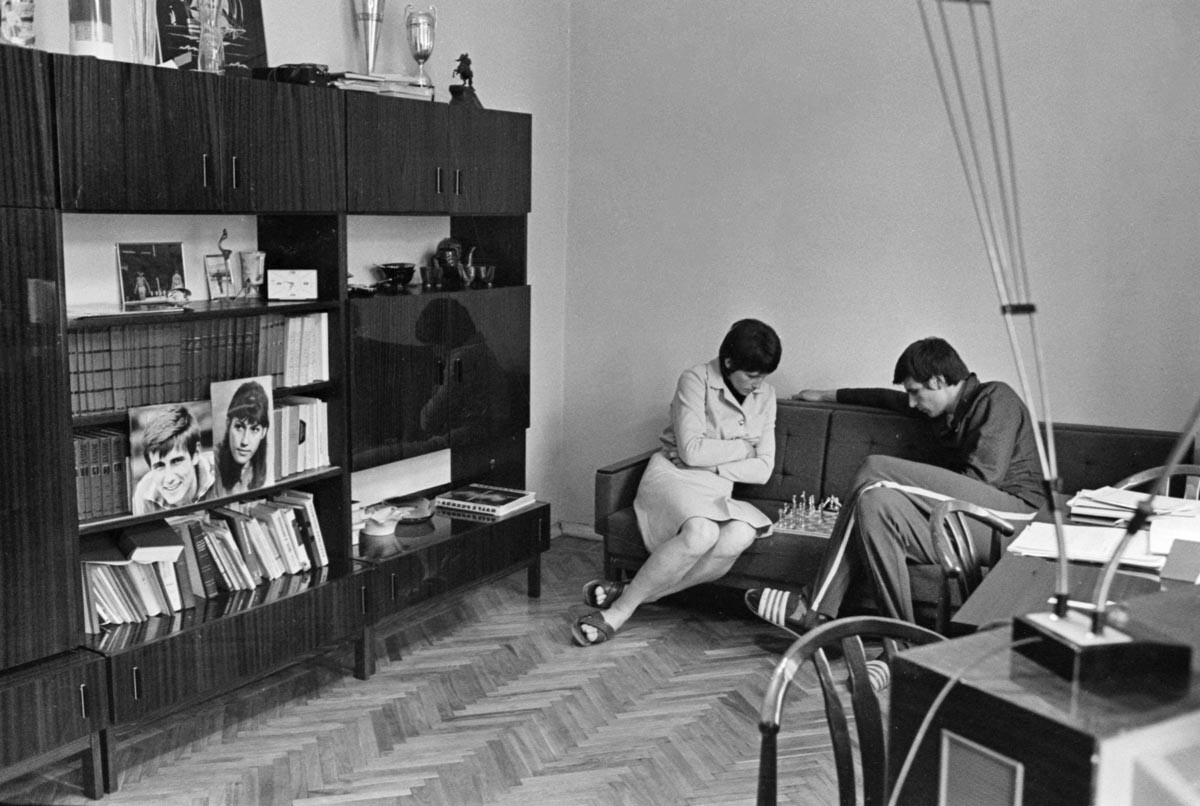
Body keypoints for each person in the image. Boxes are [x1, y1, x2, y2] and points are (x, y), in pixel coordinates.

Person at [746, 336, 1045, 632]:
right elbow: (885, 398)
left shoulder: (995, 397)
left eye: (915, 392)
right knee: (874, 505)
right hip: (968, 523)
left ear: (939, 381)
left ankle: (812, 607)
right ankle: (900, 636)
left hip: (1016, 520)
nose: (912, 403)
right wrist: (826, 396)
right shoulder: (943, 412)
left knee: (875, 468)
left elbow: (983, 481)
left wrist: (908, 492)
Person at [573, 319, 782, 646]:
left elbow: (763, 469)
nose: (758, 384)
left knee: (739, 535)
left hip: (715, 487)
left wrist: (713, 466)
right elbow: (690, 452)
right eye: (752, 375)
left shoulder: (766, 396)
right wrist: (743, 449)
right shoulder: (695, 380)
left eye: (764, 376)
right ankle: (620, 612)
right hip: (673, 476)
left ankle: (633, 593)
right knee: (703, 533)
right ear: (728, 362)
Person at [131, 405, 215, 515]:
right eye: (159, 466)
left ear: (196, 454)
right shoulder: (144, 492)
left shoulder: (220, 472)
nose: (169, 478)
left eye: (176, 461)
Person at [212, 380, 271, 497]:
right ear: (228, 424)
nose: (244, 441)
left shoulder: (259, 469)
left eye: (254, 429)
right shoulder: (213, 463)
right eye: (239, 427)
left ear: (263, 432)